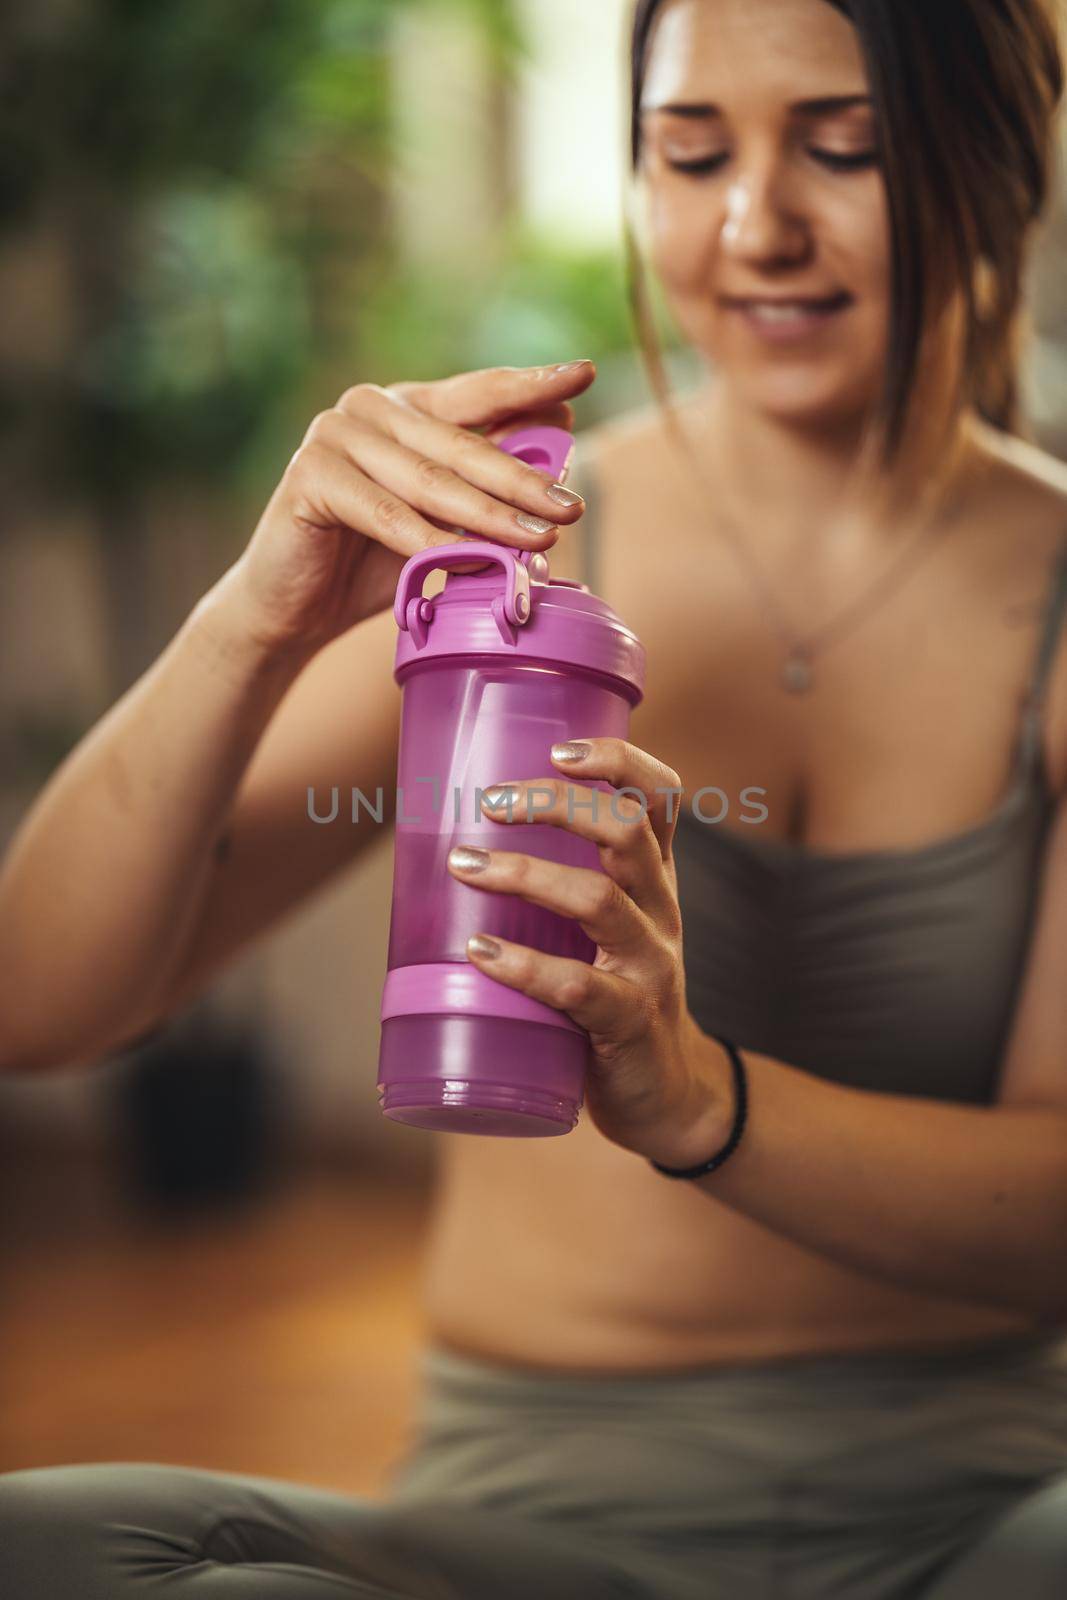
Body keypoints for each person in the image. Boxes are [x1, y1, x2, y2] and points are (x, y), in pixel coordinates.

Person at [2, 0, 1067, 1594]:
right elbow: (36, 1005)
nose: (751, 224)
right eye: (687, 150)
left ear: (997, 160)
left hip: (978, 1520)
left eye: (842, 149)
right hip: (515, 1529)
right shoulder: (514, 557)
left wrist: (702, 1103)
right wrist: (259, 615)